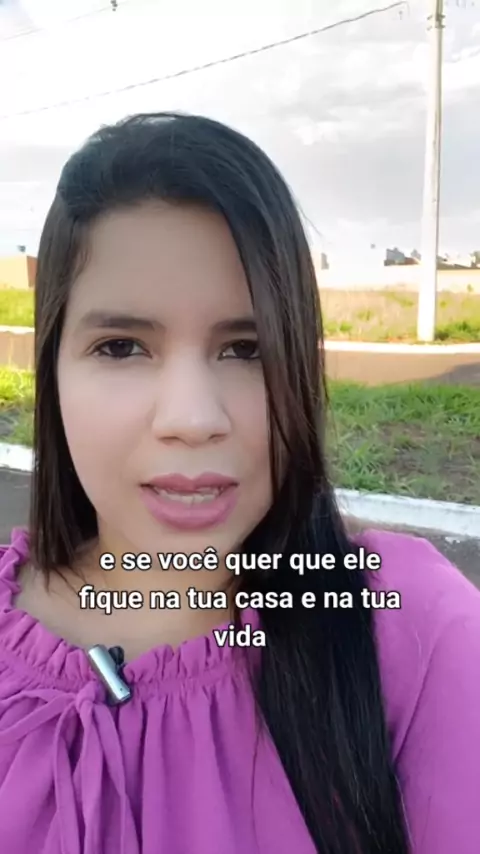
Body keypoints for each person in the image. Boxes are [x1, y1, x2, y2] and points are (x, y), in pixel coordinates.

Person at [0, 112, 478, 854]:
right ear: (53, 367)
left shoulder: (416, 630)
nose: (192, 420)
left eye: (247, 349)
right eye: (122, 347)